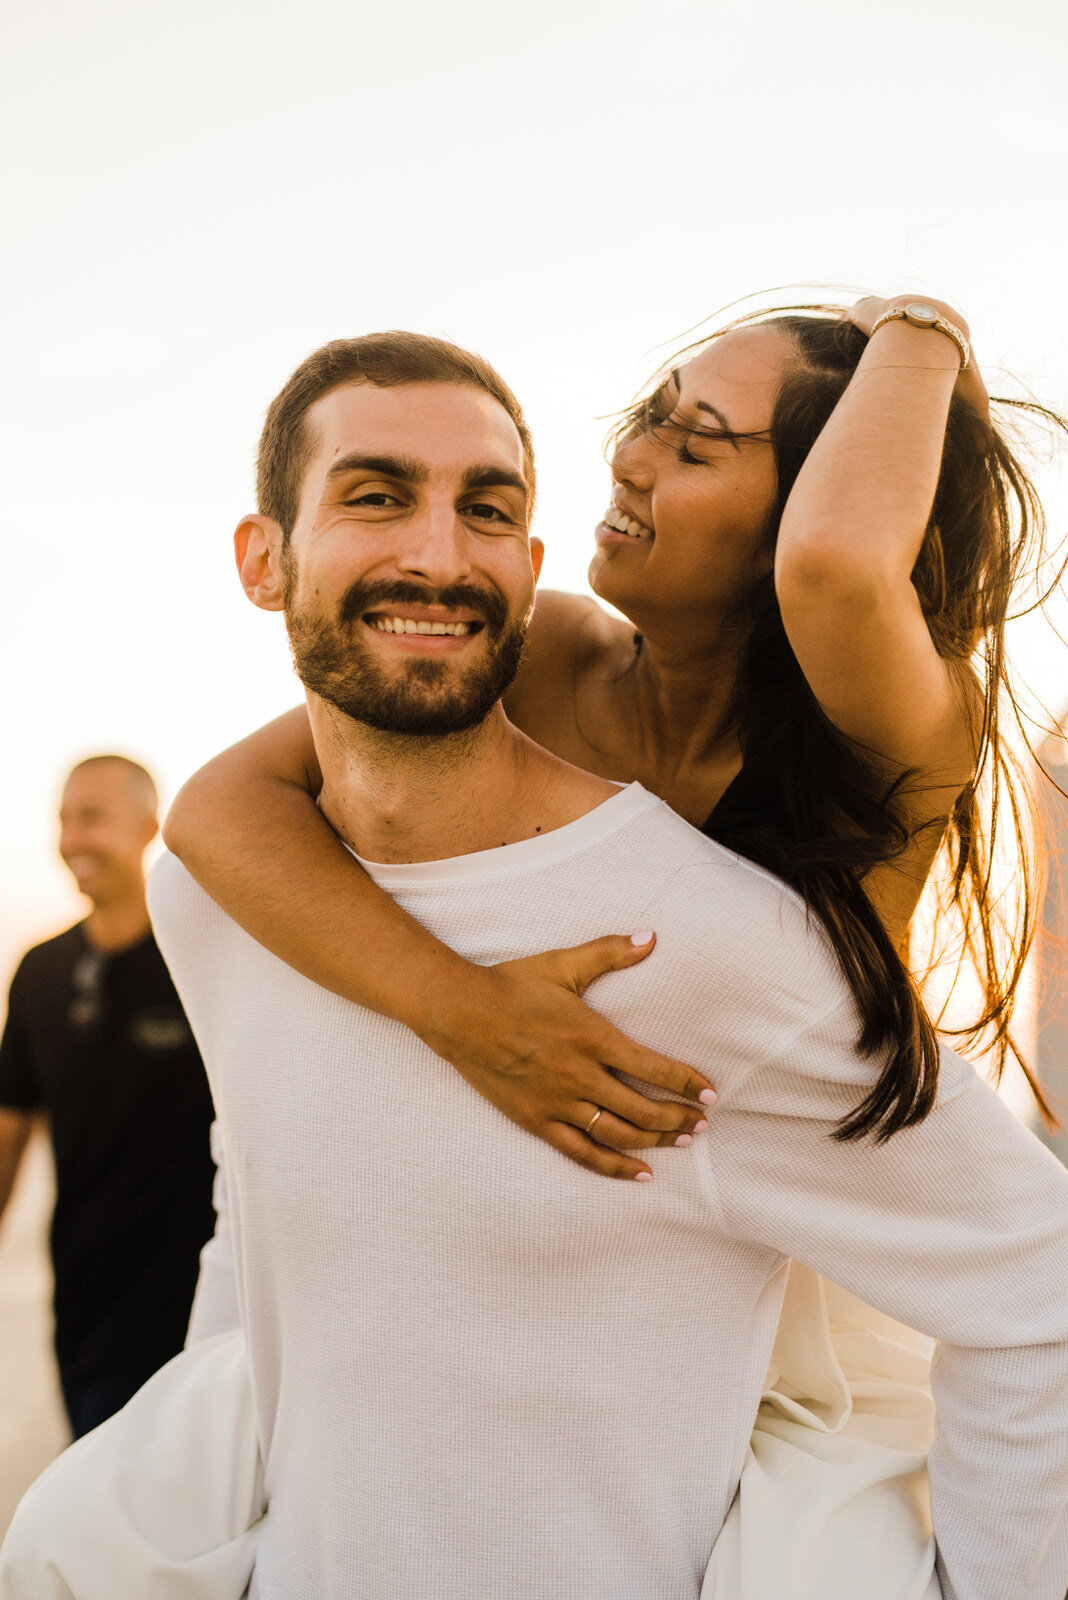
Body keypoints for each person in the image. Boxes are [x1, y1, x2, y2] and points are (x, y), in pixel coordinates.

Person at [6, 331, 1064, 1600]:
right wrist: (468, 1013)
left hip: (786, 1258)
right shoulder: (555, 652)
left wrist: (922, 328)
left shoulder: (889, 736)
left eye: (698, 440)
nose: (628, 453)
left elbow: (839, 565)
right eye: (650, 414)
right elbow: (219, 819)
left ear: (794, 515)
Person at [0, 756, 216, 1438]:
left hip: (201, 1318)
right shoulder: (40, 971)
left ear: (150, 826)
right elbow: (10, 1129)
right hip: (85, 1311)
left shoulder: (205, 956)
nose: (71, 839)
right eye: (64, 820)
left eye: (92, 817)